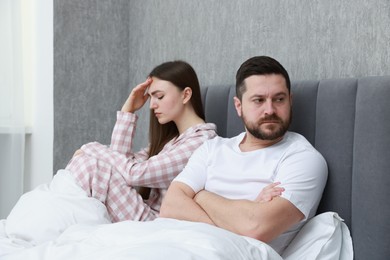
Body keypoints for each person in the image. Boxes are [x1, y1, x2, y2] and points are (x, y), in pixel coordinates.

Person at [160, 56, 328, 255]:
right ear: (238, 106)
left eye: (279, 99)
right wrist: (240, 216)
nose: (270, 110)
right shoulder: (212, 148)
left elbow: (255, 227)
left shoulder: (303, 159)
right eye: (258, 100)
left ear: (290, 101)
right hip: (177, 243)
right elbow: (170, 206)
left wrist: (200, 196)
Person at [64, 60, 217, 222]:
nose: (152, 105)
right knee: (89, 163)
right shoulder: (171, 141)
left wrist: (90, 147)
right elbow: (119, 165)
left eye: (159, 96)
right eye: (151, 97)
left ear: (185, 95)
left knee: (92, 166)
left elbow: (134, 174)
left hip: (156, 221)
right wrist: (128, 110)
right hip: (145, 211)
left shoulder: (201, 141)